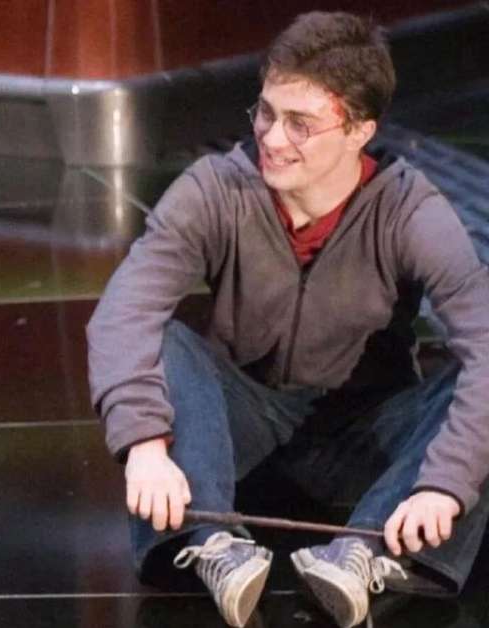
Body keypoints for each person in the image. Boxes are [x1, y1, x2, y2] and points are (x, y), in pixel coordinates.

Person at [87, 11, 489, 628]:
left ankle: (368, 553)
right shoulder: (216, 189)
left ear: (359, 131)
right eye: (267, 112)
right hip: (238, 431)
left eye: (301, 123)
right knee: (163, 340)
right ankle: (210, 546)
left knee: (477, 400)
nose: (273, 138)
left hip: (364, 436)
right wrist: (142, 440)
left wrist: (444, 484)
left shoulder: (410, 212)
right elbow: (124, 312)